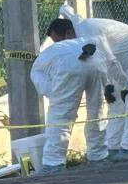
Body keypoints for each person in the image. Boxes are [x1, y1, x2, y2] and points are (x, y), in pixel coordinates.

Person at [58, 5, 128, 161]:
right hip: (123, 61)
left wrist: (125, 86)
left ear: (69, 33)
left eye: (61, 42)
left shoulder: (89, 33)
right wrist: (109, 86)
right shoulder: (79, 38)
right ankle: (113, 148)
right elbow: (96, 64)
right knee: (116, 102)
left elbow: (109, 60)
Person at [29, 19, 110, 174]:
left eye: (56, 39)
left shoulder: (54, 50)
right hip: (97, 64)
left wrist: (57, 96)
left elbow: (36, 73)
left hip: (70, 66)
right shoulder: (88, 40)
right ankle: (99, 156)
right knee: (97, 111)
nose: (55, 43)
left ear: (69, 32)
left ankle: (53, 164)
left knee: (60, 116)